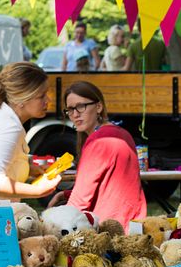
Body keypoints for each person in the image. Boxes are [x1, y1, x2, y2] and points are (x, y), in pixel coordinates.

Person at [48, 81, 146, 229]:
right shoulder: (121, 133)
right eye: (70, 109)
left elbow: (80, 202)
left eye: (81, 106)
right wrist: (65, 195)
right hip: (133, 225)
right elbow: (107, 186)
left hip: (110, 230)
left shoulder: (99, 140)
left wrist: (51, 225)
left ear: (98, 107)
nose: (75, 114)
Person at [0, 62, 61, 200]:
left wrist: (27, 167)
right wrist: (38, 190)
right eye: (41, 96)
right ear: (21, 99)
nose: (48, 100)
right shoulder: (8, 127)